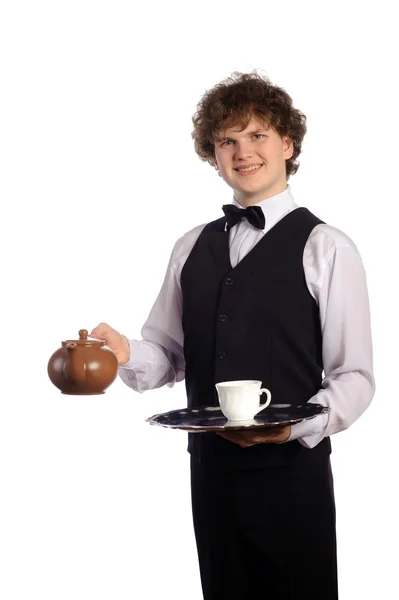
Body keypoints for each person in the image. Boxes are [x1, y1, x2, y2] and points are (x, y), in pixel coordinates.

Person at [90, 71, 375, 599]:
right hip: (212, 474)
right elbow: (169, 355)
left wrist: (291, 429)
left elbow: (354, 377)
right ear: (213, 153)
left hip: (292, 477)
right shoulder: (190, 245)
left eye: (257, 135)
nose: (243, 152)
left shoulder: (327, 247)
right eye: (227, 141)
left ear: (287, 144)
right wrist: (127, 351)